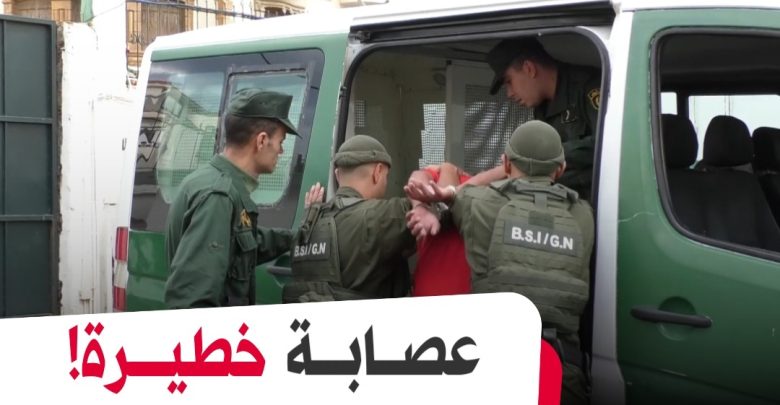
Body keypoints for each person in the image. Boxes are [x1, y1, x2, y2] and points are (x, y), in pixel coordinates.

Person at [405, 120, 594, 405]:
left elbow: (450, 191)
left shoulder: (479, 204)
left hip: (495, 368)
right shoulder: (583, 215)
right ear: (561, 169)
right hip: (561, 373)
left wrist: (443, 196)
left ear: (506, 164)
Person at [164, 89, 301, 309]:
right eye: (280, 141)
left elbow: (242, 243)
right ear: (262, 140)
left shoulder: (214, 182)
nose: (281, 150)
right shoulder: (218, 196)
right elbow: (193, 301)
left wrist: (299, 237)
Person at [282, 135, 420, 302]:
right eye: (386, 176)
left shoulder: (306, 226)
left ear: (337, 175)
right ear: (377, 172)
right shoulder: (376, 217)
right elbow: (432, 205)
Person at [487, 37, 601, 200]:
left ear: (529, 68)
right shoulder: (542, 107)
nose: (509, 93)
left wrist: (538, 159)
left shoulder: (589, 86)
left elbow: (605, 146)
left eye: (509, 82)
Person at [408, 163, 506, 296]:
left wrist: (448, 169)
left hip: (458, 294)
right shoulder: (440, 179)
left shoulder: (489, 192)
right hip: (436, 293)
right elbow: (418, 178)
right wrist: (420, 206)